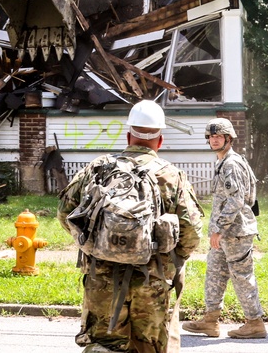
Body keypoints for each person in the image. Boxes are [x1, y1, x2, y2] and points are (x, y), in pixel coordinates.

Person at [58, 99, 203, 353]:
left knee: (102, 346)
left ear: (128, 136)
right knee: (147, 347)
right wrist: (169, 260)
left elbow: (65, 214)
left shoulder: (98, 169)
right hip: (152, 282)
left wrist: (94, 246)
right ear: (160, 141)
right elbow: (191, 232)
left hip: (101, 279)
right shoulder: (171, 176)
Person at [181, 118, 266, 339]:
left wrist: (219, 228)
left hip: (235, 233)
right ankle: (210, 321)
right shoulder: (223, 161)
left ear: (229, 139)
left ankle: (255, 323)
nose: (214, 140)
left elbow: (236, 200)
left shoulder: (231, 164)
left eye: (218, 137)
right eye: (211, 137)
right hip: (225, 233)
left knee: (242, 277)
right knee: (215, 275)